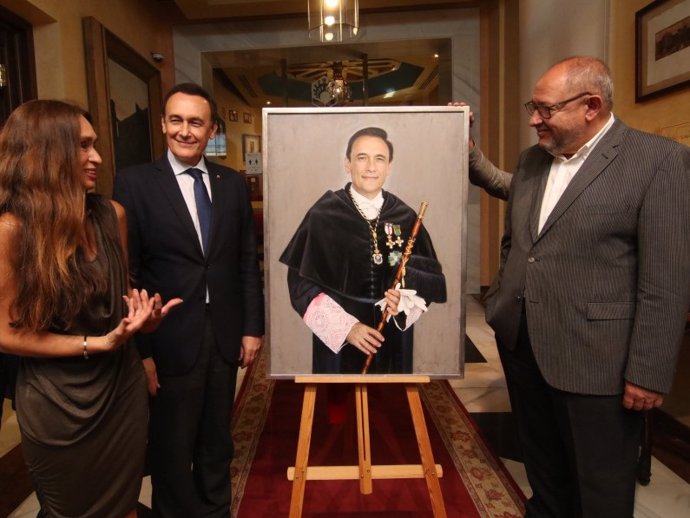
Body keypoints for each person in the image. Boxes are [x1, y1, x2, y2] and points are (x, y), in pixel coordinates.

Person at [473, 56, 690, 517]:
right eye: (533, 106)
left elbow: (666, 278)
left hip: (598, 360)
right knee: (544, 468)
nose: (534, 119)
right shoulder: (533, 161)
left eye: (545, 109)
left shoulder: (658, 161)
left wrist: (648, 370)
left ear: (591, 105)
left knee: (600, 486)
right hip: (523, 345)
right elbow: (520, 239)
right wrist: (499, 304)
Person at [0, 100, 179, 518]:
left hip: (122, 390)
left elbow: (119, 298)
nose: (96, 157)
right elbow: (6, 334)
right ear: (47, 153)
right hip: (58, 403)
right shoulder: (11, 231)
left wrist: (142, 320)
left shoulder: (111, 215)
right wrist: (94, 344)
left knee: (126, 505)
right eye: (83, 146)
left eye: (94, 145)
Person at [113, 83, 265, 518]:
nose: (185, 130)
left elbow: (244, 260)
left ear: (211, 129)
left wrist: (252, 327)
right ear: (162, 124)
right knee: (172, 446)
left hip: (223, 336)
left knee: (217, 439)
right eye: (176, 120)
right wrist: (141, 353)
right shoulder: (134, 183)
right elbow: (128, 274)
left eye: (195, 122)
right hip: (168, 340)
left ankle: (216, 511)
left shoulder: (232, 183)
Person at [280, 127, 446, 374]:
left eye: (379, 159)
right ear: (348, 164)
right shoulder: (323, 214)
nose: (371, 167)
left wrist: (404, 303)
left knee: (388, 407)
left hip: (391, 335)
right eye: (362, 158)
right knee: (339, 409)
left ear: (389, 167)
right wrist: (347, 328)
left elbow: (428, 282)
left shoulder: (407, 216)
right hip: (340, 342)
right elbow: (300, 285)